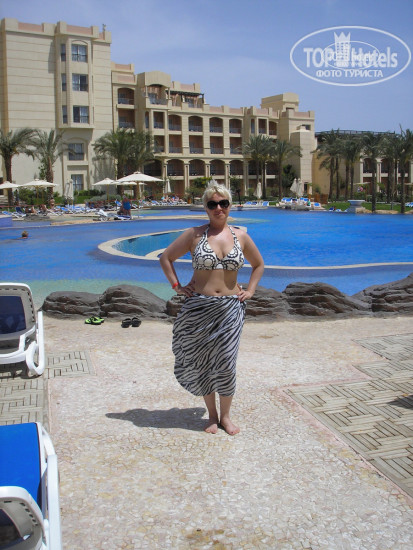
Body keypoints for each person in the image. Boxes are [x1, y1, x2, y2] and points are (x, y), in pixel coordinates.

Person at [160, 181, 264, 435]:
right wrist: (177, 286)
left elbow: (259, 264)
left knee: (226, 363)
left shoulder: (241, 236)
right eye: (213, 204)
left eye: (223, 203)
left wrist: (250, 290)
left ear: (230, 206)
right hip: (199, 308)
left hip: (230, 309)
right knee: (203, 362)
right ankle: (212, 415)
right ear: (205, 207)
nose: (219, 208)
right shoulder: (194, 235)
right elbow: (166, 258)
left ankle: (226, 417)